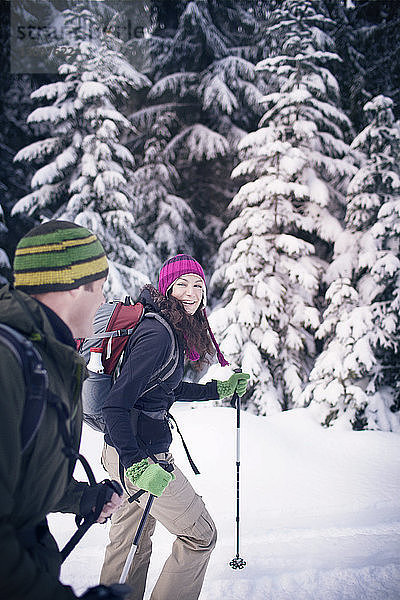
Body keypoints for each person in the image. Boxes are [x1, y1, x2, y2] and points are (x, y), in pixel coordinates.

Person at [100, 254, 250, 600]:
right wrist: (137, 464)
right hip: (139, 457)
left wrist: (217, 390)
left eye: (198, 284)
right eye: (182, 283)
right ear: (166, 287)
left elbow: (164, 387)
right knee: (201, 536)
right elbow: (115, 404)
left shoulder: (166, 328)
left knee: (130, 545)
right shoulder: (159, 334)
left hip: (119, 450)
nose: (191, 292)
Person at [0, 220, 126, 600]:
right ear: (76, 286)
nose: (104, 302)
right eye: (101, 289)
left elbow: (19, 477)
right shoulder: (8, 363)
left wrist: (79, 497)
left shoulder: (44, 355)